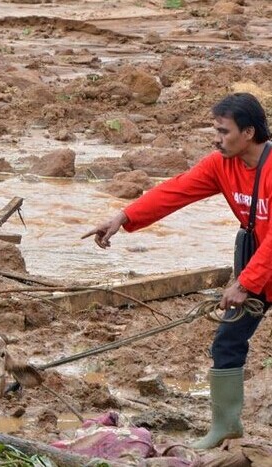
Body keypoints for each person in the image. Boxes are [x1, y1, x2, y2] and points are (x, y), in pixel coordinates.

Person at [83, 92, 271, 449]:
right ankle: (226, 427)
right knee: (228, 341)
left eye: (224, 131)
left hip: (260, 268)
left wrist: (244, 283)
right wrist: (123, 217)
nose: (216, 139)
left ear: (249, 133)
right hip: (259, 267)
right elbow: (176, 190)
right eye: (215, 130)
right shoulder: (222, 165)